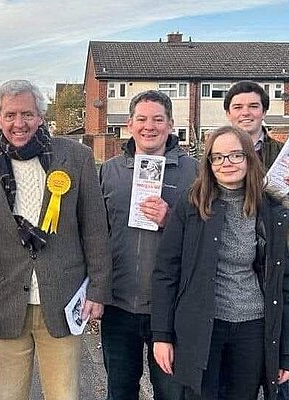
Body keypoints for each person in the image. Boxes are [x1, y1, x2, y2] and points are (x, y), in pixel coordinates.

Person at [0, 79, 111, 400]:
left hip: (62, 300)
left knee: (63, 395)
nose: (19, 124)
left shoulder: (77, 158)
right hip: (5, 304)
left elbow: (95, 228)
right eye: (11, 115)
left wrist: (99, 290)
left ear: (41, 116)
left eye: (28, 114)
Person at [151, 126, 289, 400]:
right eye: (218, 157)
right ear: (208, 164)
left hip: (253, 328)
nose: (226, 163)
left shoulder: (272, 211)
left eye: (235, 155)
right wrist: (161, 335)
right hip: (203, 327)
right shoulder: (192, 206)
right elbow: (165, 273)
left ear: (249, 159)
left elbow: (287, 285)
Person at [224, 81, 289, 399]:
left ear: (264, 111)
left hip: (279, 257)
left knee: (277, 350)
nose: (246, 113)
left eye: (253, 106)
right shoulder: (220, 152)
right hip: (232, 262)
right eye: (238, 107)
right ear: (228, 113)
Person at [100, 90, 198, 400]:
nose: (149, 126)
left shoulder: (193, 172)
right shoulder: (110, 171)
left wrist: (172, 219)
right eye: (141, 119)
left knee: (170, 393)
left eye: (158, 119)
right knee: (120, 390)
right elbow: (96, 233)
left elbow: (207, 236)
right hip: (118, 304)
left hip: (170, 308)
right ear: (129, 124)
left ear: (171, 124)